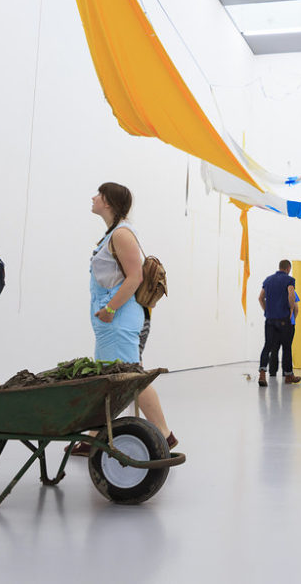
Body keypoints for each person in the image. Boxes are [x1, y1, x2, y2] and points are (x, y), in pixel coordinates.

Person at [74, 182, 175, 455]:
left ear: (107, 202)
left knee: (130, 378)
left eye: (98, 194)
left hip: (119, 318)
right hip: (113, 319)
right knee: (112, 378)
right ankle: (94, 437)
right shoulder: (112, 234)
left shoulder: (121, 234)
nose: (93, 197)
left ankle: (164, 434)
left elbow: (135, 277)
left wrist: (110, 310)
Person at [258, 259, 301, 386]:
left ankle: (262, 374)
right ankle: (288, 375)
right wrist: (291, 309)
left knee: (268, 346)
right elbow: (291, 295)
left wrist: (267, 311)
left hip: (270, 320)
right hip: (283, 319)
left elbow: (260, 298)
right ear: (288, 268)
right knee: (287, 348)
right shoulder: (289, 280)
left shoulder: (268, 280)